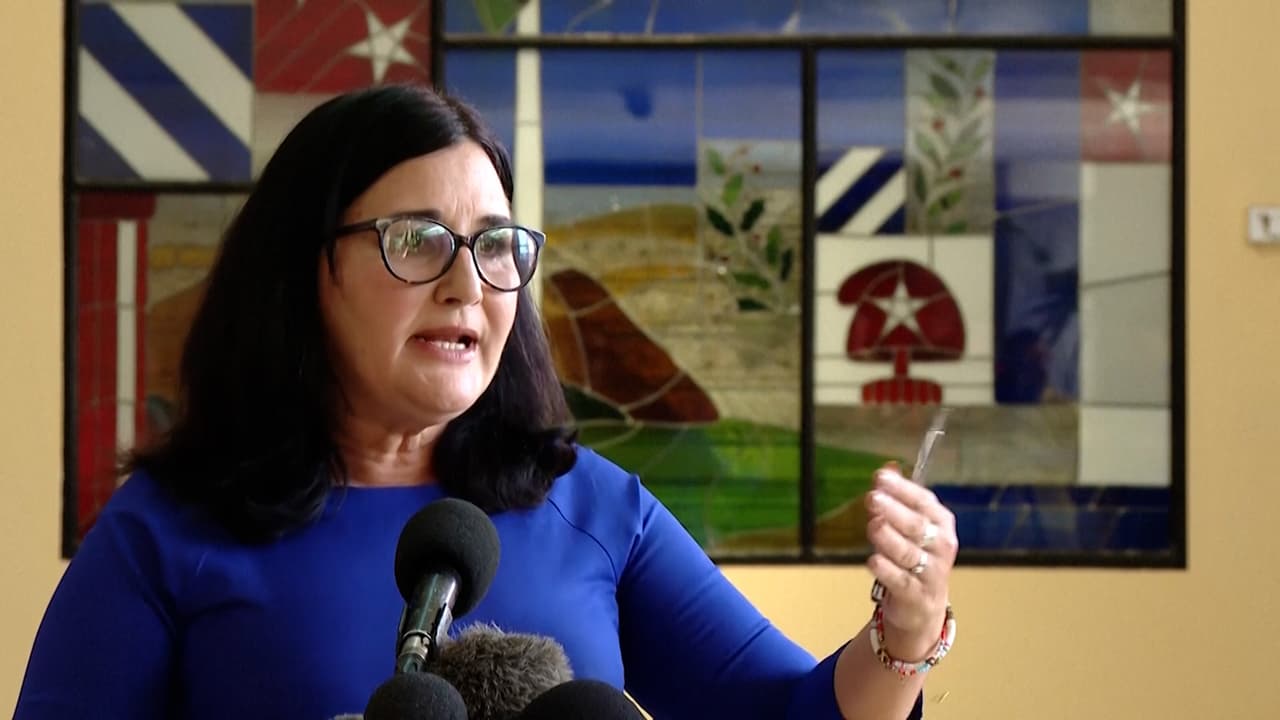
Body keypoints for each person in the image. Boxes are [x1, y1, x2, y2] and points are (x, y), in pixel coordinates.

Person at [15, 84, 958, 719]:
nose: (468, 285)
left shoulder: (594, 507)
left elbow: (791, 712)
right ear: (306, 271)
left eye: (496, 245)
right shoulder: (166, 531)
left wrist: (906, 632)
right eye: (417, 240)